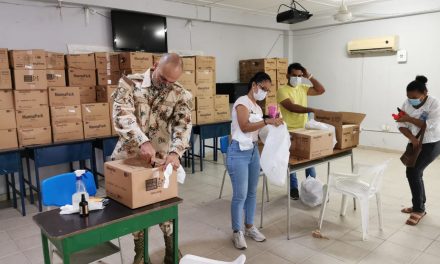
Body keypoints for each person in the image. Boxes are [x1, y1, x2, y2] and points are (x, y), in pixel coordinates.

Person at [111, 53, 193, 264]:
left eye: (171, 81)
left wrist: (175, 153)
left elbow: (183, 126)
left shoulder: (181, 94)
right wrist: (142, 141)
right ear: (155, 65)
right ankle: (140, 252)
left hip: (161, 161)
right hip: (130, 159)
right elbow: (122, 114)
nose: (166, 85)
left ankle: (171, 249)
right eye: (163, 78)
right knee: (135, 208)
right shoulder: (129, 83)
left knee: (164, 205)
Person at [228, 72, 283, 250]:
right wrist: (267, 121)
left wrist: (275, 126)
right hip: (238, 152)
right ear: (254, 85)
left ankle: (249, 226)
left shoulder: (258, 109)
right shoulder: (242, 102)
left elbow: (259, 133)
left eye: (267, 90)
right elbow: (244, 127)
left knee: (252, 193)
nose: (265, 92)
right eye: (263, 88)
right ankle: (237, 232)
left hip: (252, 152)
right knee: (240, 195)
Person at [276, 63, 326, 199]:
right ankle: (293, 188)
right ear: (287, 75)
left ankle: (312, 186)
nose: (297, 78)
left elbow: (321, 90)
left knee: (309, 159)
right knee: (292, 161)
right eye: (294, 75)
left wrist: (309, 75)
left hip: (304, 129)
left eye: (299, 76)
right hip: (290, 131)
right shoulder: (282, 90)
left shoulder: (303, 88)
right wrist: (311, 109)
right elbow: (291, 107)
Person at [396, 75, 440, 226]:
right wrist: (412, 139)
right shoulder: (407, 103)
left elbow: (429, 125)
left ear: (424, 93)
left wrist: (408, 119)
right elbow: (400, 125)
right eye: (408, 97)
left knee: (413, 172)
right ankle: (418, 205)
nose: (411, 100)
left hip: (432, 142)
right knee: (415, 172)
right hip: (415, 142)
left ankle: (419, 209)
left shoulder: (434, 103)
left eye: (414, 97)